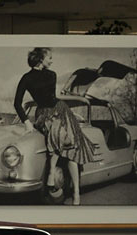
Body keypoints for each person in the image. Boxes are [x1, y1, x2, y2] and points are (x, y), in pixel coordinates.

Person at [13, 47, 96, 205]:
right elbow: (17, 103)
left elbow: (51, 98)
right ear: (40, 58)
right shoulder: (26, 78)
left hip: (61, 111)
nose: (51, 60)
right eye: (49, 57)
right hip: (43, 114)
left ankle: (75, 192)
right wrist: (27, 123)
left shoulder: (52, 75)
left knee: (71, 149)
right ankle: (55, 174)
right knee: (61, 135)